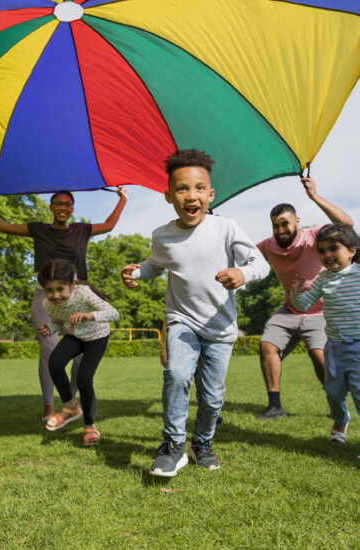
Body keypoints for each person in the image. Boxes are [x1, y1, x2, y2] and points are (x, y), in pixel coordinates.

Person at [121, 149, 269, 477]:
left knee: (213, 398)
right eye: (183, 189)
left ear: (211, 194)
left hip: (220, 325)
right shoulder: (162, 236)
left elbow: (261, 263)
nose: (192, 195)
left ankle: (201, 442)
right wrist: (138, 273)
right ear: (169, 196)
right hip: (182, 319)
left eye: (200, 188)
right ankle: (173, 444)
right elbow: (156, 265)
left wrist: (242, 274)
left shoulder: (226, 228)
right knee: (176, 374)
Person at [0, 188, 127, 421]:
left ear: (72, 209)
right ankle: (48, 405)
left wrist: (123, 199)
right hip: (45, 298)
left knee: (81, 356)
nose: (63, 207)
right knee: (48, 349)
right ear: (51, 207)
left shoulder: (80, 230)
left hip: (77, 299)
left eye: (68, 204)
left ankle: (70, 400)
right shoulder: (39, 229)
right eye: (58, 203)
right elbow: (4, 226)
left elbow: (109, 225)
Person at [256, 177, 354, 419]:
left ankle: (336, 404)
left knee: (318, 355)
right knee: (267, 345)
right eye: (275, 226)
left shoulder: (314, 236)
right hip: (289, 310)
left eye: (284, 224)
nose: (280, 230)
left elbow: (347, 225)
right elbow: (242, 255)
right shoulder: (269, 246)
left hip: (319, 312)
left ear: (296, 221)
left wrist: (314, 197)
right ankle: (275, 407)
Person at [291, 223, 359, 453]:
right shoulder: (323, 279)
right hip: (334, 348)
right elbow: (304, 304)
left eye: (334, 248)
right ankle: (341, 419)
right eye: (321, 251)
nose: (327, 255)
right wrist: (297, 292)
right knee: (333, 391)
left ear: (352, 250)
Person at [37, 258, 119, 445]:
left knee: (84, 379)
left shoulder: (83, 293)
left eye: (60, 289)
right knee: (55, 363)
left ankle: (89, 426)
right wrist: (50, 328)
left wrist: (89, 315)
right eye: (50, 290)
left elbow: (114, 313)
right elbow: (58, 320)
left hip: (97, 336)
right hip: (75, 335)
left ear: (72, 284)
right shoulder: (47, 304)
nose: (55, 295)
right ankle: (70, 406)